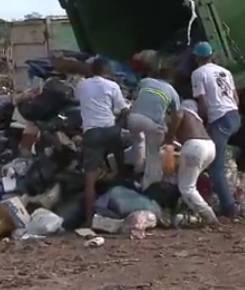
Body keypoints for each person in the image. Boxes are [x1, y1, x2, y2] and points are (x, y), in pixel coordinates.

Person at [76, 58, 129, 227]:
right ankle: (125, 204)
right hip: (110, 130)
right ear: (107, 72)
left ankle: (89, 219)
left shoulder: (81, 85)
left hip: (91, 133)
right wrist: (122, 118)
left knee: (89, 179)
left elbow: (80, 102)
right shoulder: (112, 86)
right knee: (121, 164)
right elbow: (123, 109)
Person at [191, 41, 240, 218]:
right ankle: (219, 197)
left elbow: (202, 101)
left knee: (215, 167)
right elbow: (235, 98)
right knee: (218, 156)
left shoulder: (198, 74)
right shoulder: (225, 72)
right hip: (234, 116)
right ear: (211, 55)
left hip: (220, 119)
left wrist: (202, 121)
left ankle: (229, 208)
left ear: (196, 58)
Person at [128, 67, 181, 189]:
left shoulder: (145, 81)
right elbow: (177, 115)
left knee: (138, 140)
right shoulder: (172, 92)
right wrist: (171, 134)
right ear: (171, 79)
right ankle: (147, 185)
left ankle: (138, 167)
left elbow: (135, 95)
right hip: (152, 122)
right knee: (153, 153)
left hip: (133, 118)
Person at [166, 99, 218, 224]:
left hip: (195, 147)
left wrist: (169, 135)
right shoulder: (196, 119)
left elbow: (179, 115)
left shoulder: (183, 111)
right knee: (190, 182)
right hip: (210, 147)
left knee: (186, 187)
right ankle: (191, 209)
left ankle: (209, 216)